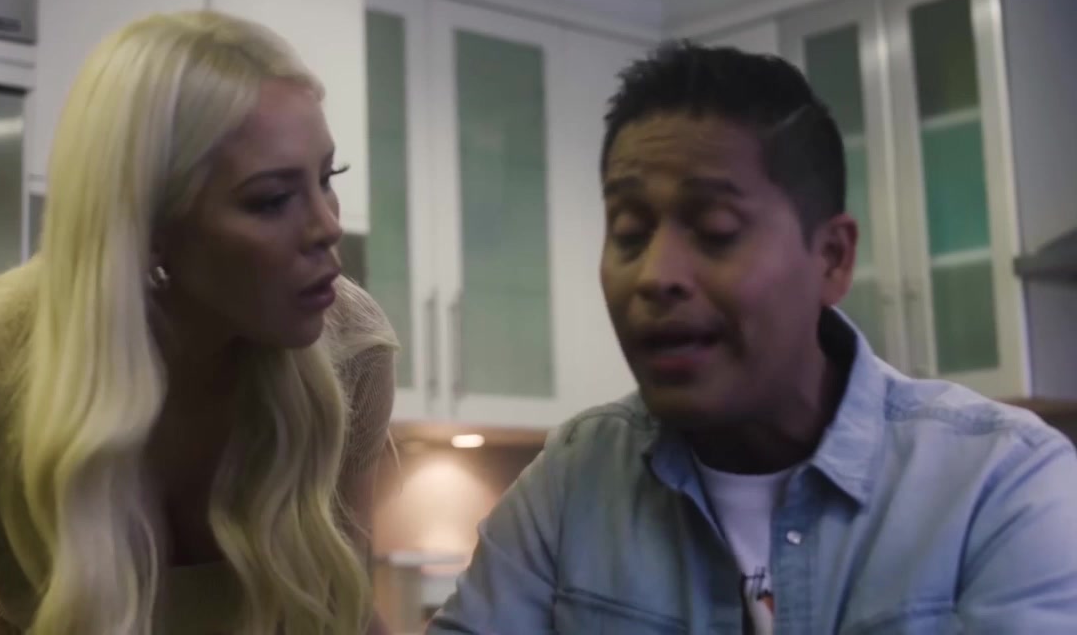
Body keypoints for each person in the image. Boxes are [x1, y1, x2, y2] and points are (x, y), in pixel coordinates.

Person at [428, 41, 1077, 634]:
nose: (655, 275)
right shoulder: (574, 481)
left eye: (715, 230)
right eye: (629, 232)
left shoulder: (1002, 484)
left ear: (832, 258)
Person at [0, 11, 398, 635]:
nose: (327, 226)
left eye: (327, 179)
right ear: (148, 227)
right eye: (271, 199)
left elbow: (341, 612)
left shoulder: (350, 348)